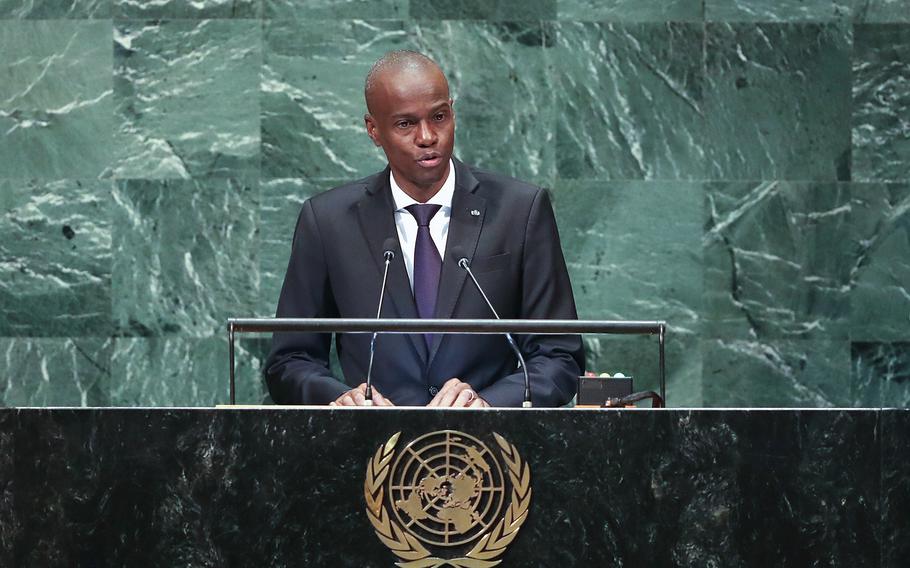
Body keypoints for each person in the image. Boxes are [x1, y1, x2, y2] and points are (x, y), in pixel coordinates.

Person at [264, 50, 584, 407]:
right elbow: (289, 361)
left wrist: (490, 404)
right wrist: (342, 400)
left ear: (453, 112)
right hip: (372, 451)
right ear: (373, 130)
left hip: (492, 450)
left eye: (439, 117)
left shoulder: (519, 210)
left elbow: (560, 356)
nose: (428, 136)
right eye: (406, 124)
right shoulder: (328, 222)